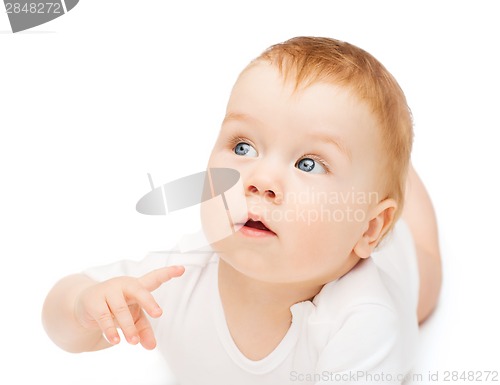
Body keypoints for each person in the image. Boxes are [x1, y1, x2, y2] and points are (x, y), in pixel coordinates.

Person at [42, 36, 442, 384]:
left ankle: (401, 174)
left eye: (309, 164)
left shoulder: (362, 320)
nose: (260, 179)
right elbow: (61, 322)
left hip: (397, 262)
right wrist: (83, 307)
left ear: (368, 228)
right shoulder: (178, 279)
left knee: (424, 277)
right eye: (243, 147)